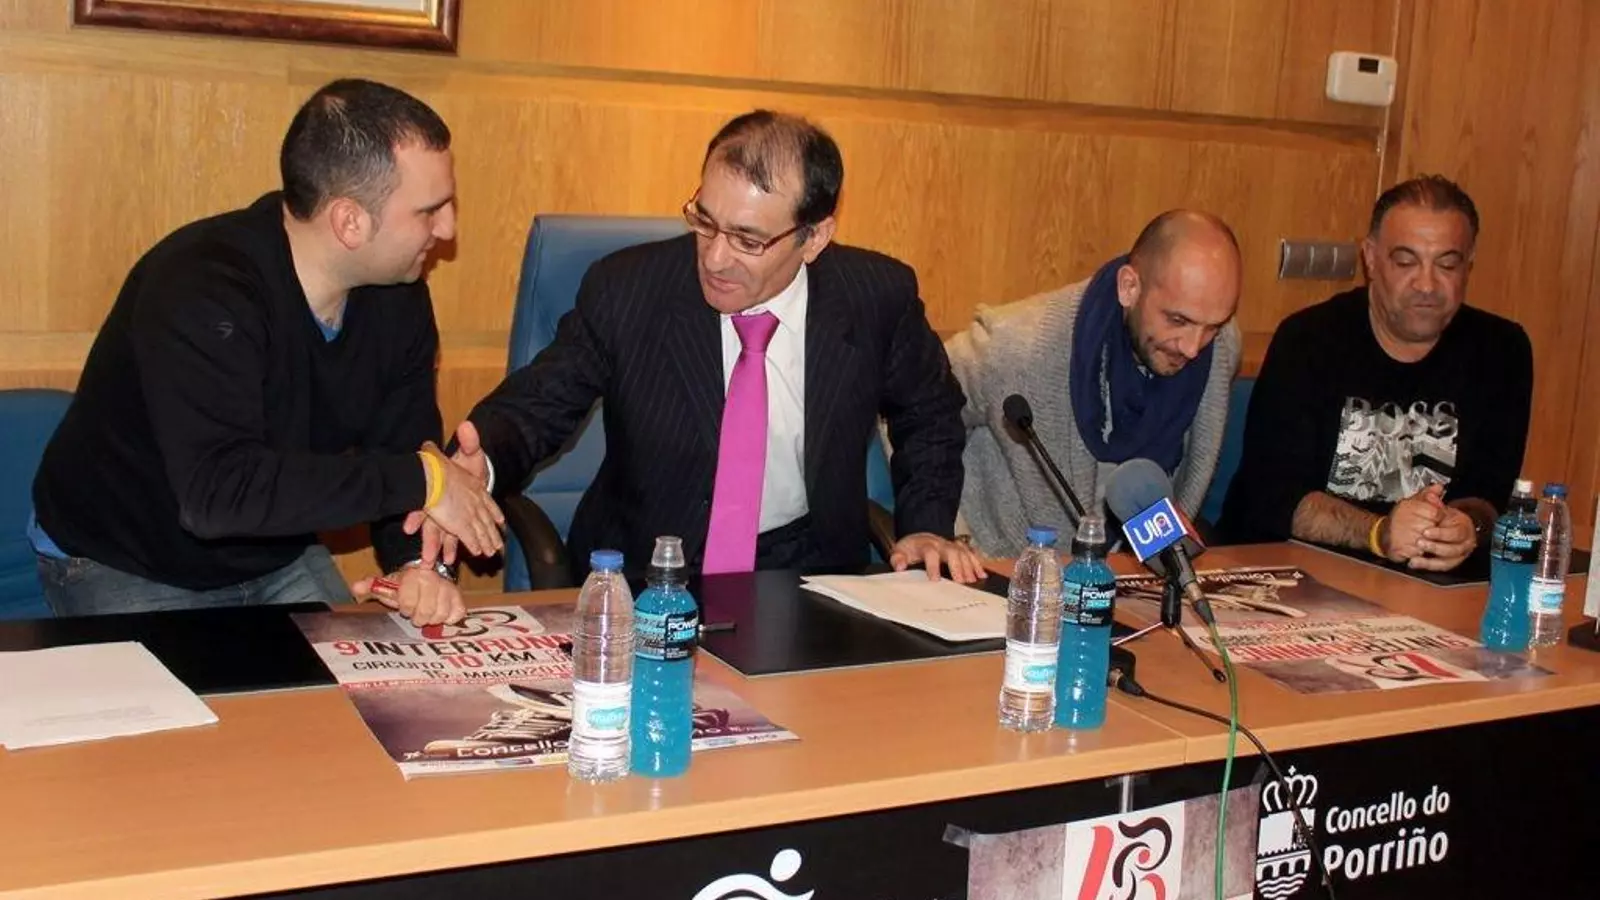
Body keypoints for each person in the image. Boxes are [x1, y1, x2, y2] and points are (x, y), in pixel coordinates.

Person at [31, 78, 502, 626]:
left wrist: (414, 565)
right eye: (430, 210)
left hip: (274, 553)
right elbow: (217, 495)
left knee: (355, 681)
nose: (448, 228)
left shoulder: (398, 293)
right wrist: (424, 480)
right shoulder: (200, 286)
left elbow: (401, 450)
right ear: (349, 221)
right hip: (122, 558)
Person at [445, 110, 982, 583]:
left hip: (808, 576)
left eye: (748, 240)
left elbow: (930, 413)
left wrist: (926, 525)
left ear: (814, 238)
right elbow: (541, 402)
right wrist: (480, 463)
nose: (715, 258)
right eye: (705, 221)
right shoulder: (628, 289)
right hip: (645, 572)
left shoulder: (875, 297)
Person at [1220, 175, 1533, 572]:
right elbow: (1273, 498)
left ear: (1468, 264)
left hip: (1432, 585)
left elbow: (1491, 495)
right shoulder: (1308, 340)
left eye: (1447, 264)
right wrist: (1379, 533)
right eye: (1405, 261)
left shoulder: (1502, 350)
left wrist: (1467, 527)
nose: (1426, 284)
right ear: (1370, 258)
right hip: (1298, 572)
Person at [947, 211, 1242, 557]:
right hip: (1003, 565)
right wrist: (947, 533)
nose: (1193, 348)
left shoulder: (1220, 349)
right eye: (1178, 320)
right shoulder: (1017, 347)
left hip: (1133, 572)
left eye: (1212, 326)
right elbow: (915, 412)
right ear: (1129, 287)